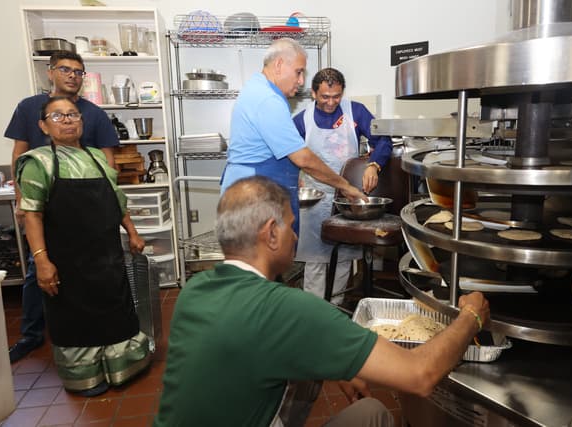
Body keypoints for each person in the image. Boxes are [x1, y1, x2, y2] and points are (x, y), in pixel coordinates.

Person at [154, 176, 490, 427]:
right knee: (374, 415)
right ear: (271, 233)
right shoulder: (286, 310)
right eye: (290, 224)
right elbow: (420, 374)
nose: (295, 234)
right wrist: (471, 315)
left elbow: (253, 351)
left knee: (313, 378)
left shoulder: (193, 291)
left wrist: (334, 367)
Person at [15, 96, 149, 397]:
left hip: (107, 256)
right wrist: (42, 260)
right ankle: (86, 378)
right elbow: (32, 215)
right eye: (58, 116)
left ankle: (123, 369)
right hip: (67, 261)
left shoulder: (97, 157)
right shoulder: (39, 162)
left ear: (82, 121)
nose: (67, 121)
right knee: (76, 320)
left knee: (117, 313)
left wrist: (132, 232)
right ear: (43, 125)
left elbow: (117, 200)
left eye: (73, 115)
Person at [4, 50, 119, 363]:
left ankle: (87, 335)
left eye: (79, 72)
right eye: (66, 69)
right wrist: (21, 197)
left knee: (85, 272)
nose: (73, 76)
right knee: (37, 269)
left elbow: (108, 163)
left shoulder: (93, 114)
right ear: (50, 72)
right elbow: (19, 152)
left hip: (82, 208)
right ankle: (31, 334)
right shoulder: (29, 108)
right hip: (42, 205)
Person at [221, 38, 366, 235]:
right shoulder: (267, 99)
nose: (301, 81)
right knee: (262, 263)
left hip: (251, 193)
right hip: (254, 199)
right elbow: (304, 159)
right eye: (299, 72)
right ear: (279, 65)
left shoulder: (257, 89)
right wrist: (346, 187)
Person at [293, 68, 393, 303]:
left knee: (345, 255)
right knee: (315, 258)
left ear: (342, 92)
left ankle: (336, 306)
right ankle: (313, 310)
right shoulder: (301, 120)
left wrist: (374, 165)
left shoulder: (355, 111)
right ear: (313, 94)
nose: (330, 102)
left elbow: (384, 140)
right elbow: (288, 155)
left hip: (346, 197)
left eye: (336, 96)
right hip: (314, 197)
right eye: (325, 97)